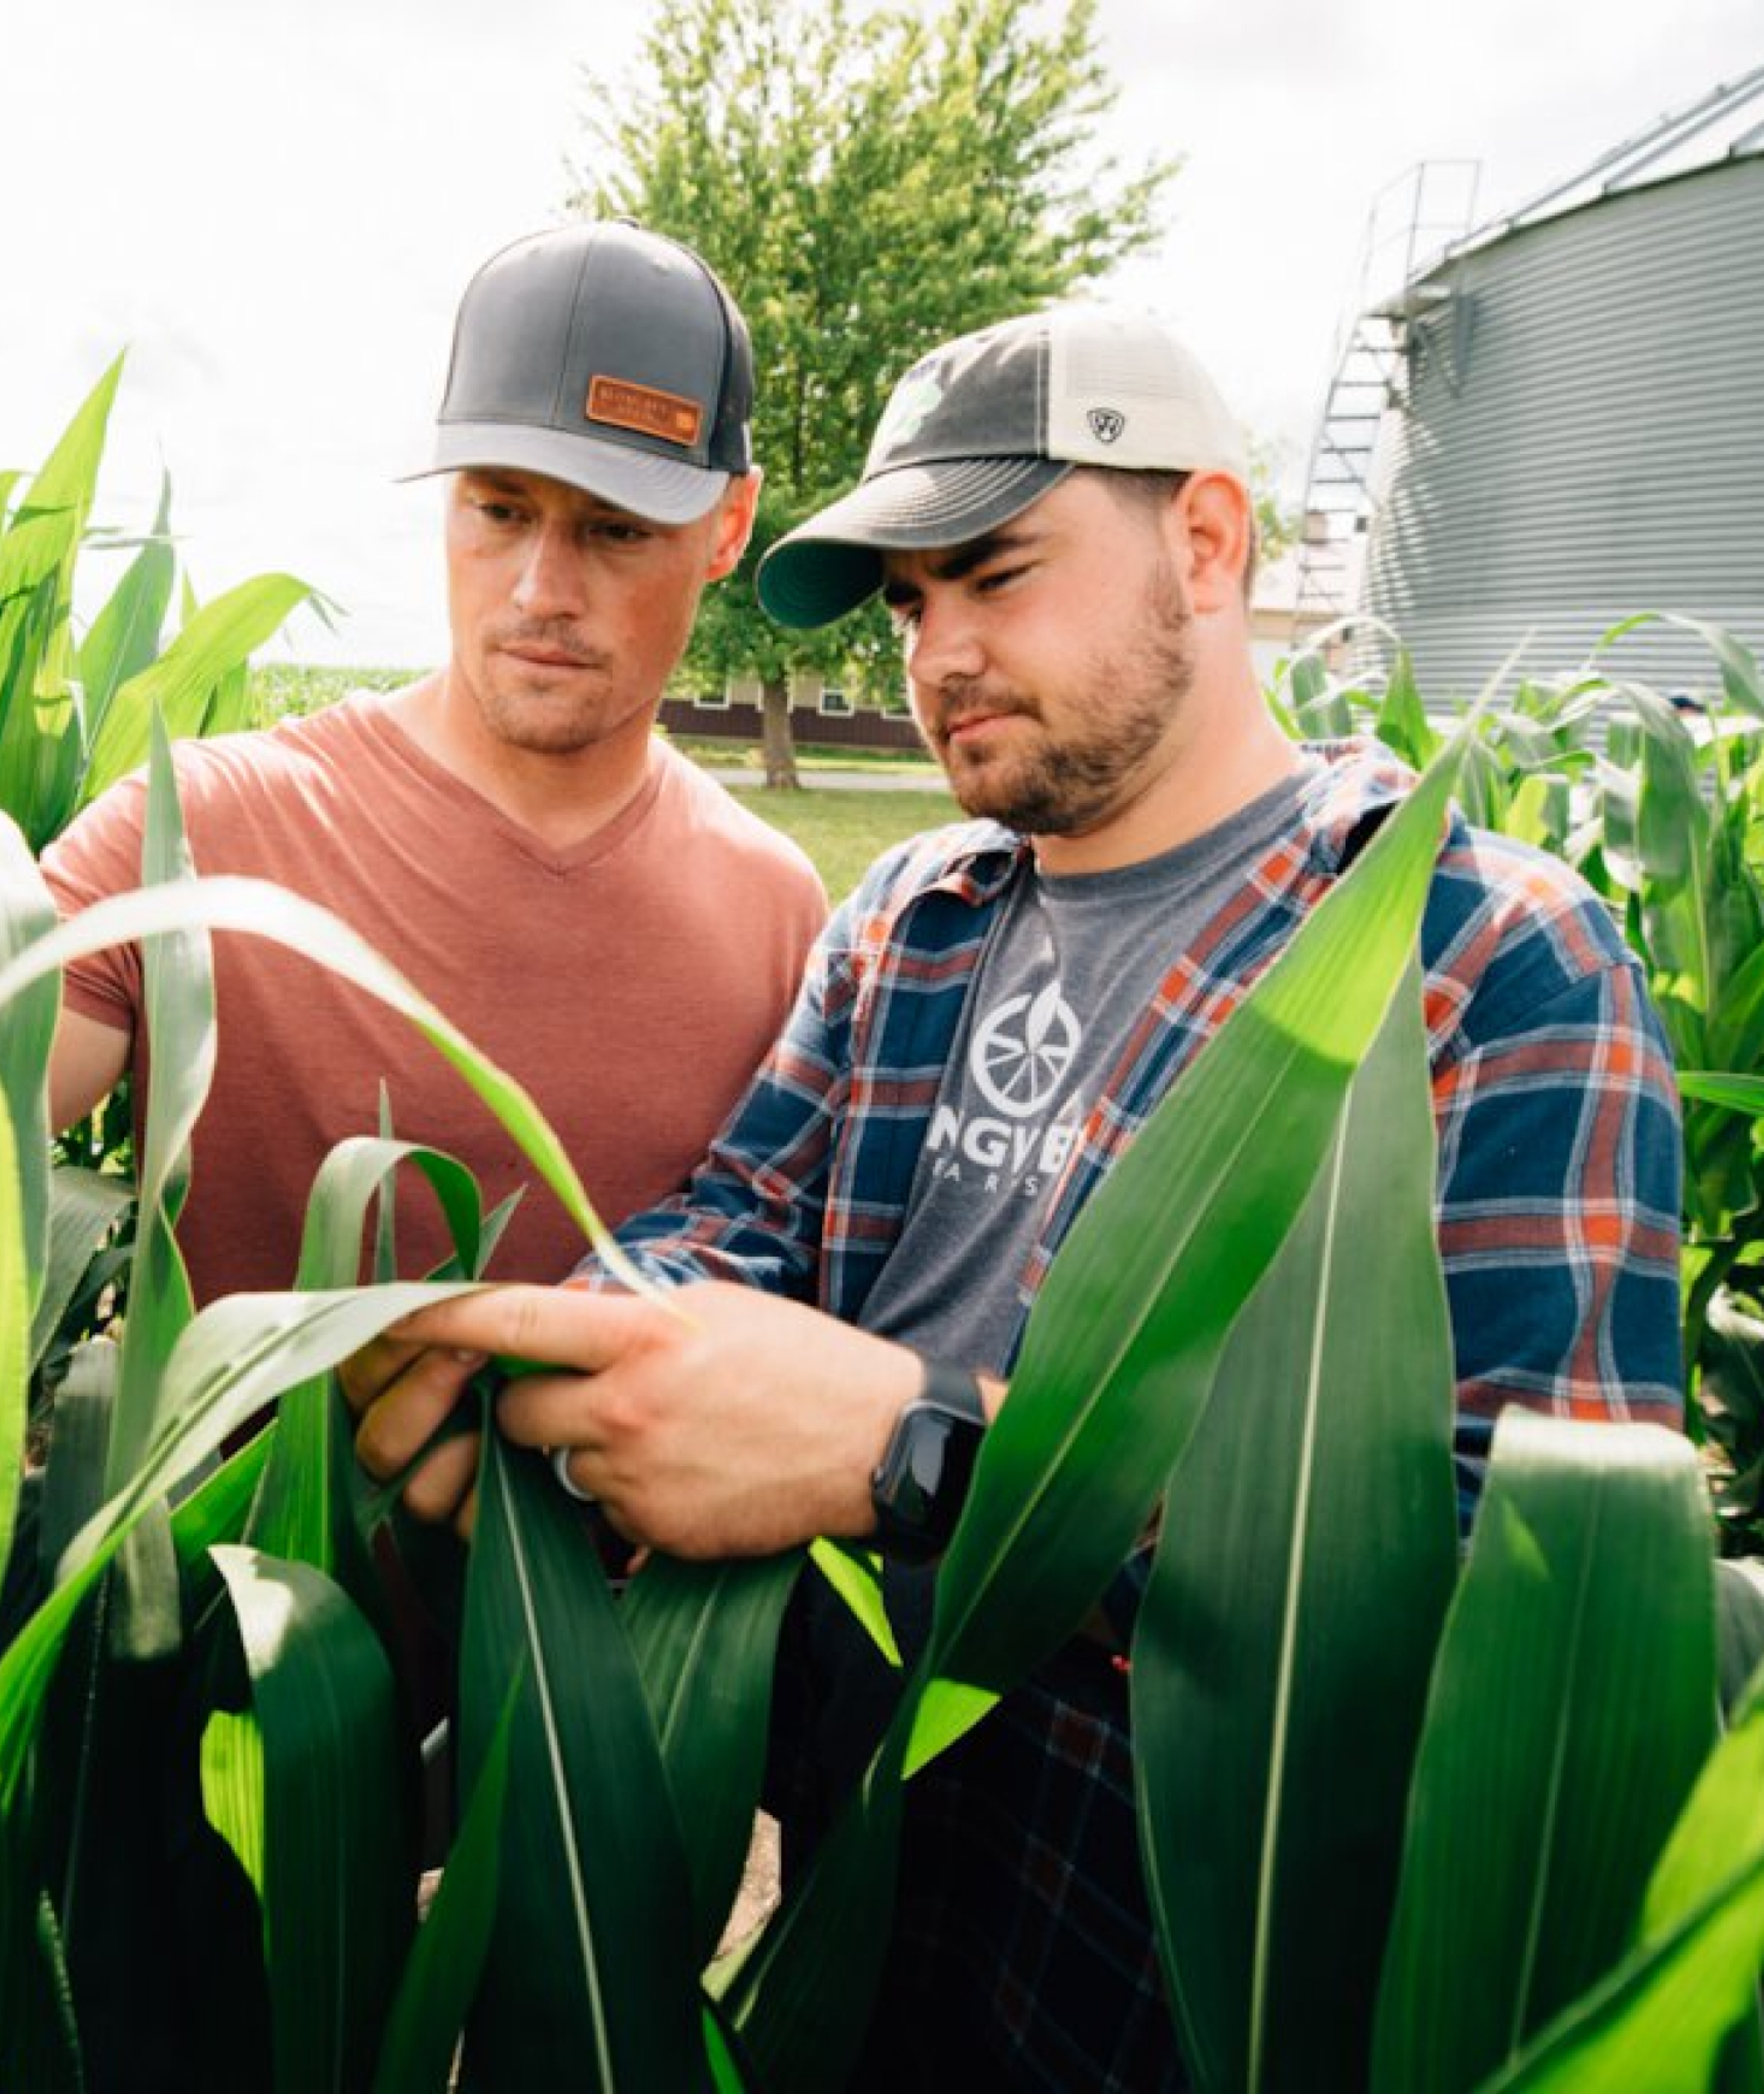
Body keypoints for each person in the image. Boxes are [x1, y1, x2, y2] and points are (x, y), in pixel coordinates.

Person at [348, 303, 1685, 2087]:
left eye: (995, 573)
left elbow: (1540, 1622)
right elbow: (738, 1217)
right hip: (864, 1926)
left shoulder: (1475, 962)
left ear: (1205, 544)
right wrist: (544, 1345)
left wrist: (915, 1456)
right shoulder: (915, 915)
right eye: (909, 603)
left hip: (1179, 1991)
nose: (942, 652)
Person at [0, 220, 826, 1300]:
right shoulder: (199, 832)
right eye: (499, 510)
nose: (540, 591)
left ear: (730, 526)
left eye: (617, 529)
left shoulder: (777, 914)